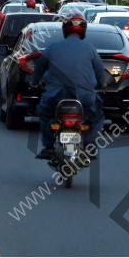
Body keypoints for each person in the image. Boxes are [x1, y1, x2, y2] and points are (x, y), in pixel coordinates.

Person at [30, 14, 105, 160]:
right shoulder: (90, 49)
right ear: (84, 29)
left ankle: (48, 147)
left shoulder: (52, 47)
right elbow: (100, 71)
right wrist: (102, 85)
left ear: (65, 28)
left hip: (55, 97)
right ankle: (89, 147)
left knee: (44, 113)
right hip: (84, 98)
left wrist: (34, 82)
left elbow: (39, 68)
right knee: (97, 115)